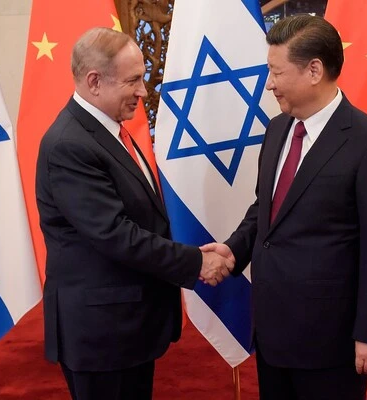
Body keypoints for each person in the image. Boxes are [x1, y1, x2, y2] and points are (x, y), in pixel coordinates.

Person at [201, 15, 367, 400]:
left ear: (314, 70)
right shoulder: (277, 129)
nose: (269, 83)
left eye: (276, 72)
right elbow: (266, 210)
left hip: (331, 341)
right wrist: (234, 250)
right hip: (272, 330)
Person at [35, 27, 233, 400]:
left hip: (126, 327)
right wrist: (196, 262)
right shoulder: (69, 145)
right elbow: (115, 234)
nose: (143, 91)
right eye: (133, 81)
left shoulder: (109, 132)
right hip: (101, 334)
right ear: (94, 81)